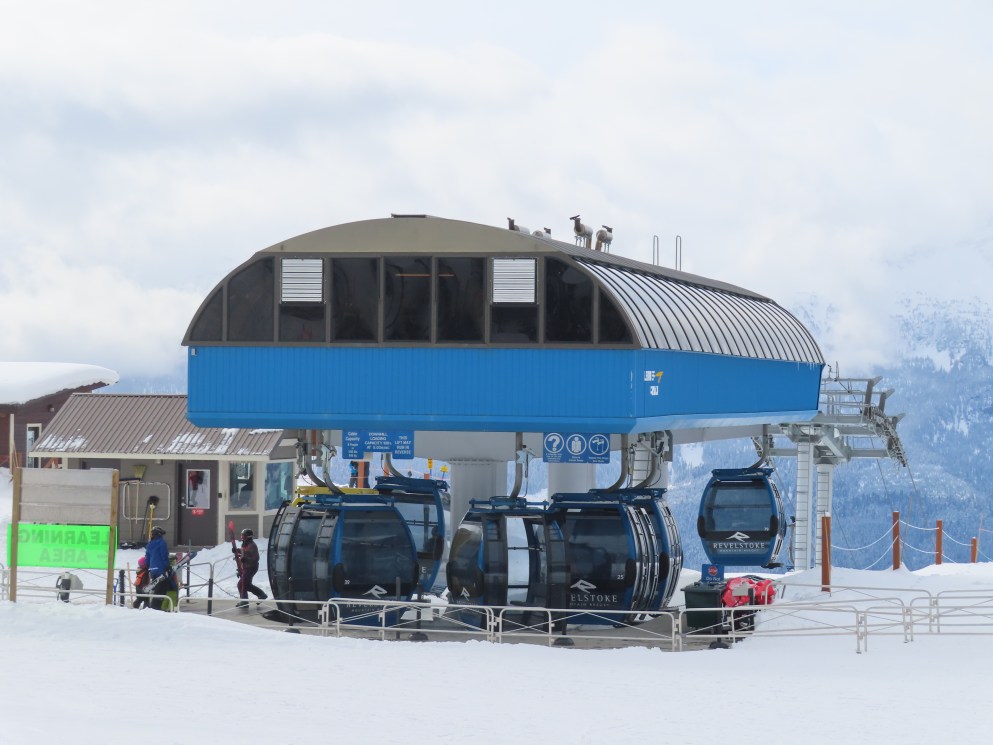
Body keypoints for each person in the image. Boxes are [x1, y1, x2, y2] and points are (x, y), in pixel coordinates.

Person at [144, 526, 176, 610]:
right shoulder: (162, 542)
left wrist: (147, 567)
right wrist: (167, 566)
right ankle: (157, 608)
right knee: (162, 589)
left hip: (152, 570)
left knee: (158, 588)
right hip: (161, 570)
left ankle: (156, 606)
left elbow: (147, 558)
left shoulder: (150, 544)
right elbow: (164, 556)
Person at [234, 528, 267, 608]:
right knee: (247, 585)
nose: (242, 537)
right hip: (246, 567)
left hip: (251, 568)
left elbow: (256, 558)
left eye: (243, 535)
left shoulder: (252, 545)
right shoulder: (245, 544)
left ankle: (244, 601)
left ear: (247, 536)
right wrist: (237, 550)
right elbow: (244, 551)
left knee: (241, 584)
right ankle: (261, 594)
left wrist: (246, 559)